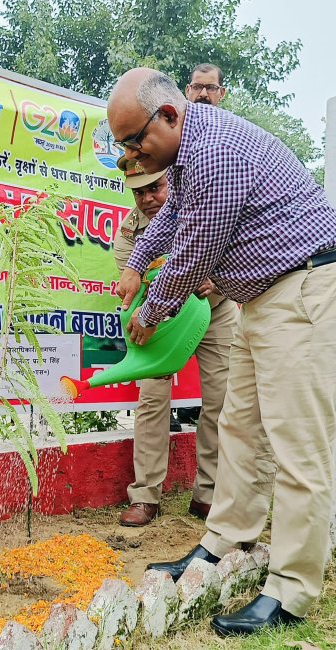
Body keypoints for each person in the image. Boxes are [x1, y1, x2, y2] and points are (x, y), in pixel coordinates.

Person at [107, 68, 336, 636]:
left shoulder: (217, 150)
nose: (131, 153)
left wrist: (151, 313)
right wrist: (133, 262)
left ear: (169, 116)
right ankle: (224, 543)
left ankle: (291, 589)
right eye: (123, 144)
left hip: (306, 290)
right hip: (264, 298)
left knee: (297, 446)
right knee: (240, 428)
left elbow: (197, 248)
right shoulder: (189, 152)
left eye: (133, 139)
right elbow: (172, 219)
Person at [113, 156, 238, 526]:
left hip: (215, 310)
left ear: (173, 179)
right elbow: (139, 294)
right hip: (162, 320)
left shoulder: (205, 203)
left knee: (221, 401)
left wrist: (216, 280)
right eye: (139, 192)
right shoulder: (128, 236)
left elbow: (234, 255)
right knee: (152, 399)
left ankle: (208, 495)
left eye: (155, 187)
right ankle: (145, 496)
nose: (148, 198)